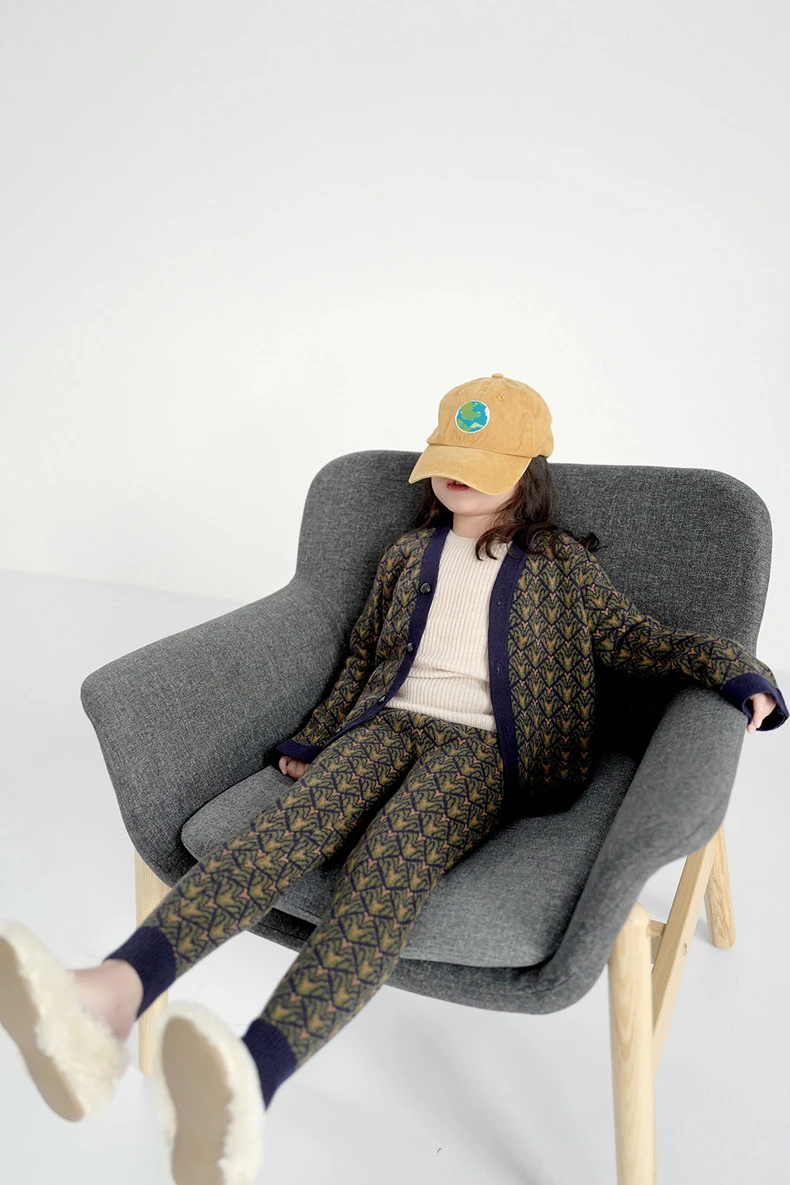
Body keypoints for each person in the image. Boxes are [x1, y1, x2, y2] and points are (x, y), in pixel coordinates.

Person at [1, 373, 786, 1185]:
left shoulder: (559, 564)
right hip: (382, 727)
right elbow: (364, 657)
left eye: (482, 465)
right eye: (450, 459)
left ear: (526, 472)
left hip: (481, 754)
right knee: (283, 832)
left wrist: (737, 670)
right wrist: (316, 735)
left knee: (387, 869)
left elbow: (637, 639)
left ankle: (251, 1079)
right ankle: (114, 988)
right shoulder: (407, 555)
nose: (458, 477)